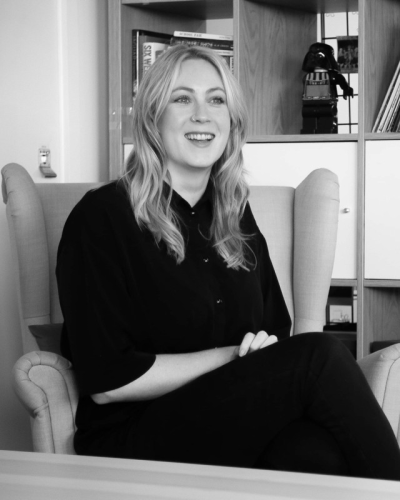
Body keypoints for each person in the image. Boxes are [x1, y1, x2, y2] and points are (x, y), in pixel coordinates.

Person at [56, 44, 400, 480]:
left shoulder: (234, 214)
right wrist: (230, 358)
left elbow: (275, 333)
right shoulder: (102, 217)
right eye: (182, 99)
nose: (203, 114)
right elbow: (107, 383)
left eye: (216, 100)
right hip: (134, 437)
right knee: (321, 356)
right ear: (152, 116)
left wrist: (257, 355)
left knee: (323, 455)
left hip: (231, 421)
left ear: (232, 122)